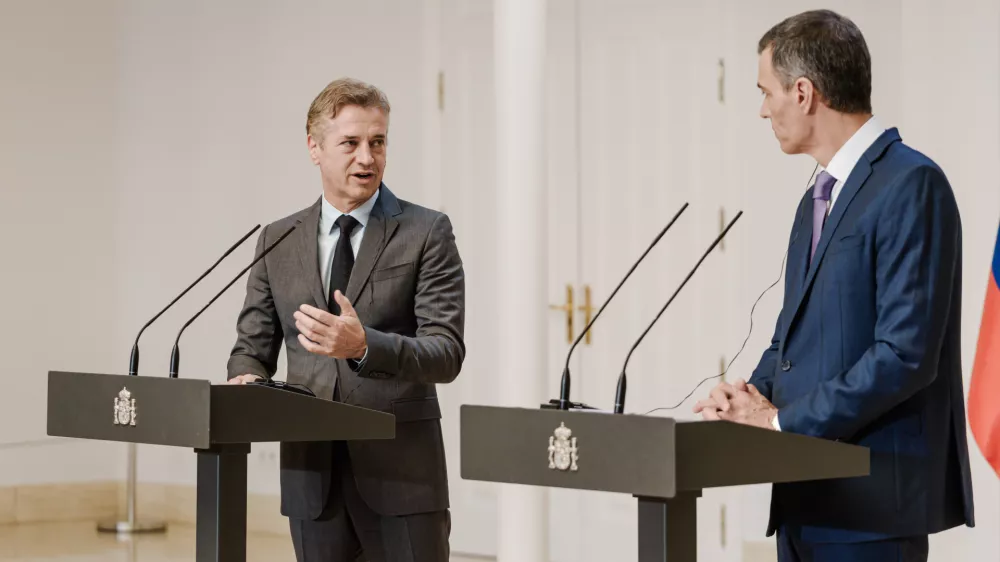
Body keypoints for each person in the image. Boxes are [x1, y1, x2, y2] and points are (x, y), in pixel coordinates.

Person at [693, 10, 974, 562]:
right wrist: (749, 395)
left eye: (765, 91)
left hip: (869, 509)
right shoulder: (817, 197)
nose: (762, 109)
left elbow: (904, 355)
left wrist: (781, 422)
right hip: (804, 497)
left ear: (803, 92)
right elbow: (790, 340)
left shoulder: (911, 183)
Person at [226, 77, 465, 562]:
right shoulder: (278, 239)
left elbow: (445, 352)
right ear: (314, 148)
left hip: (401, 476)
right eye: (351, 143)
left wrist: (363, 346)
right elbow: (252, 343)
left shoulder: (425, 231)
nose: (367, 157)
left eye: (378, 142)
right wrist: (245, 376)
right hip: (312, 479)